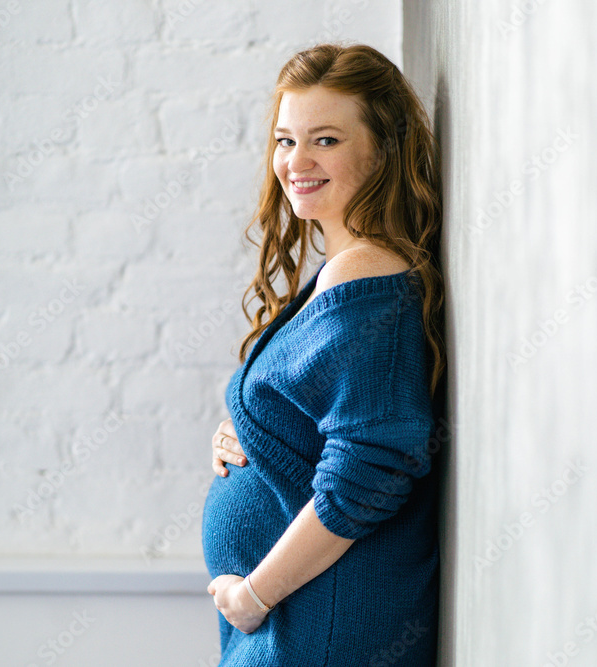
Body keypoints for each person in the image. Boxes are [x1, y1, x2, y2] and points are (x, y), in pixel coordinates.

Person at [201, 42, 446, 666]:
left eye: (326, 140)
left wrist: (256, 593)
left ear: (381, 148)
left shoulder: (367, 279)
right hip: (302, 621)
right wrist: (249, 434)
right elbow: (322, 422)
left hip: (318, 627)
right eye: (286, 140)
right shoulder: (345, 271)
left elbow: (369, 472)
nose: (297, 161)